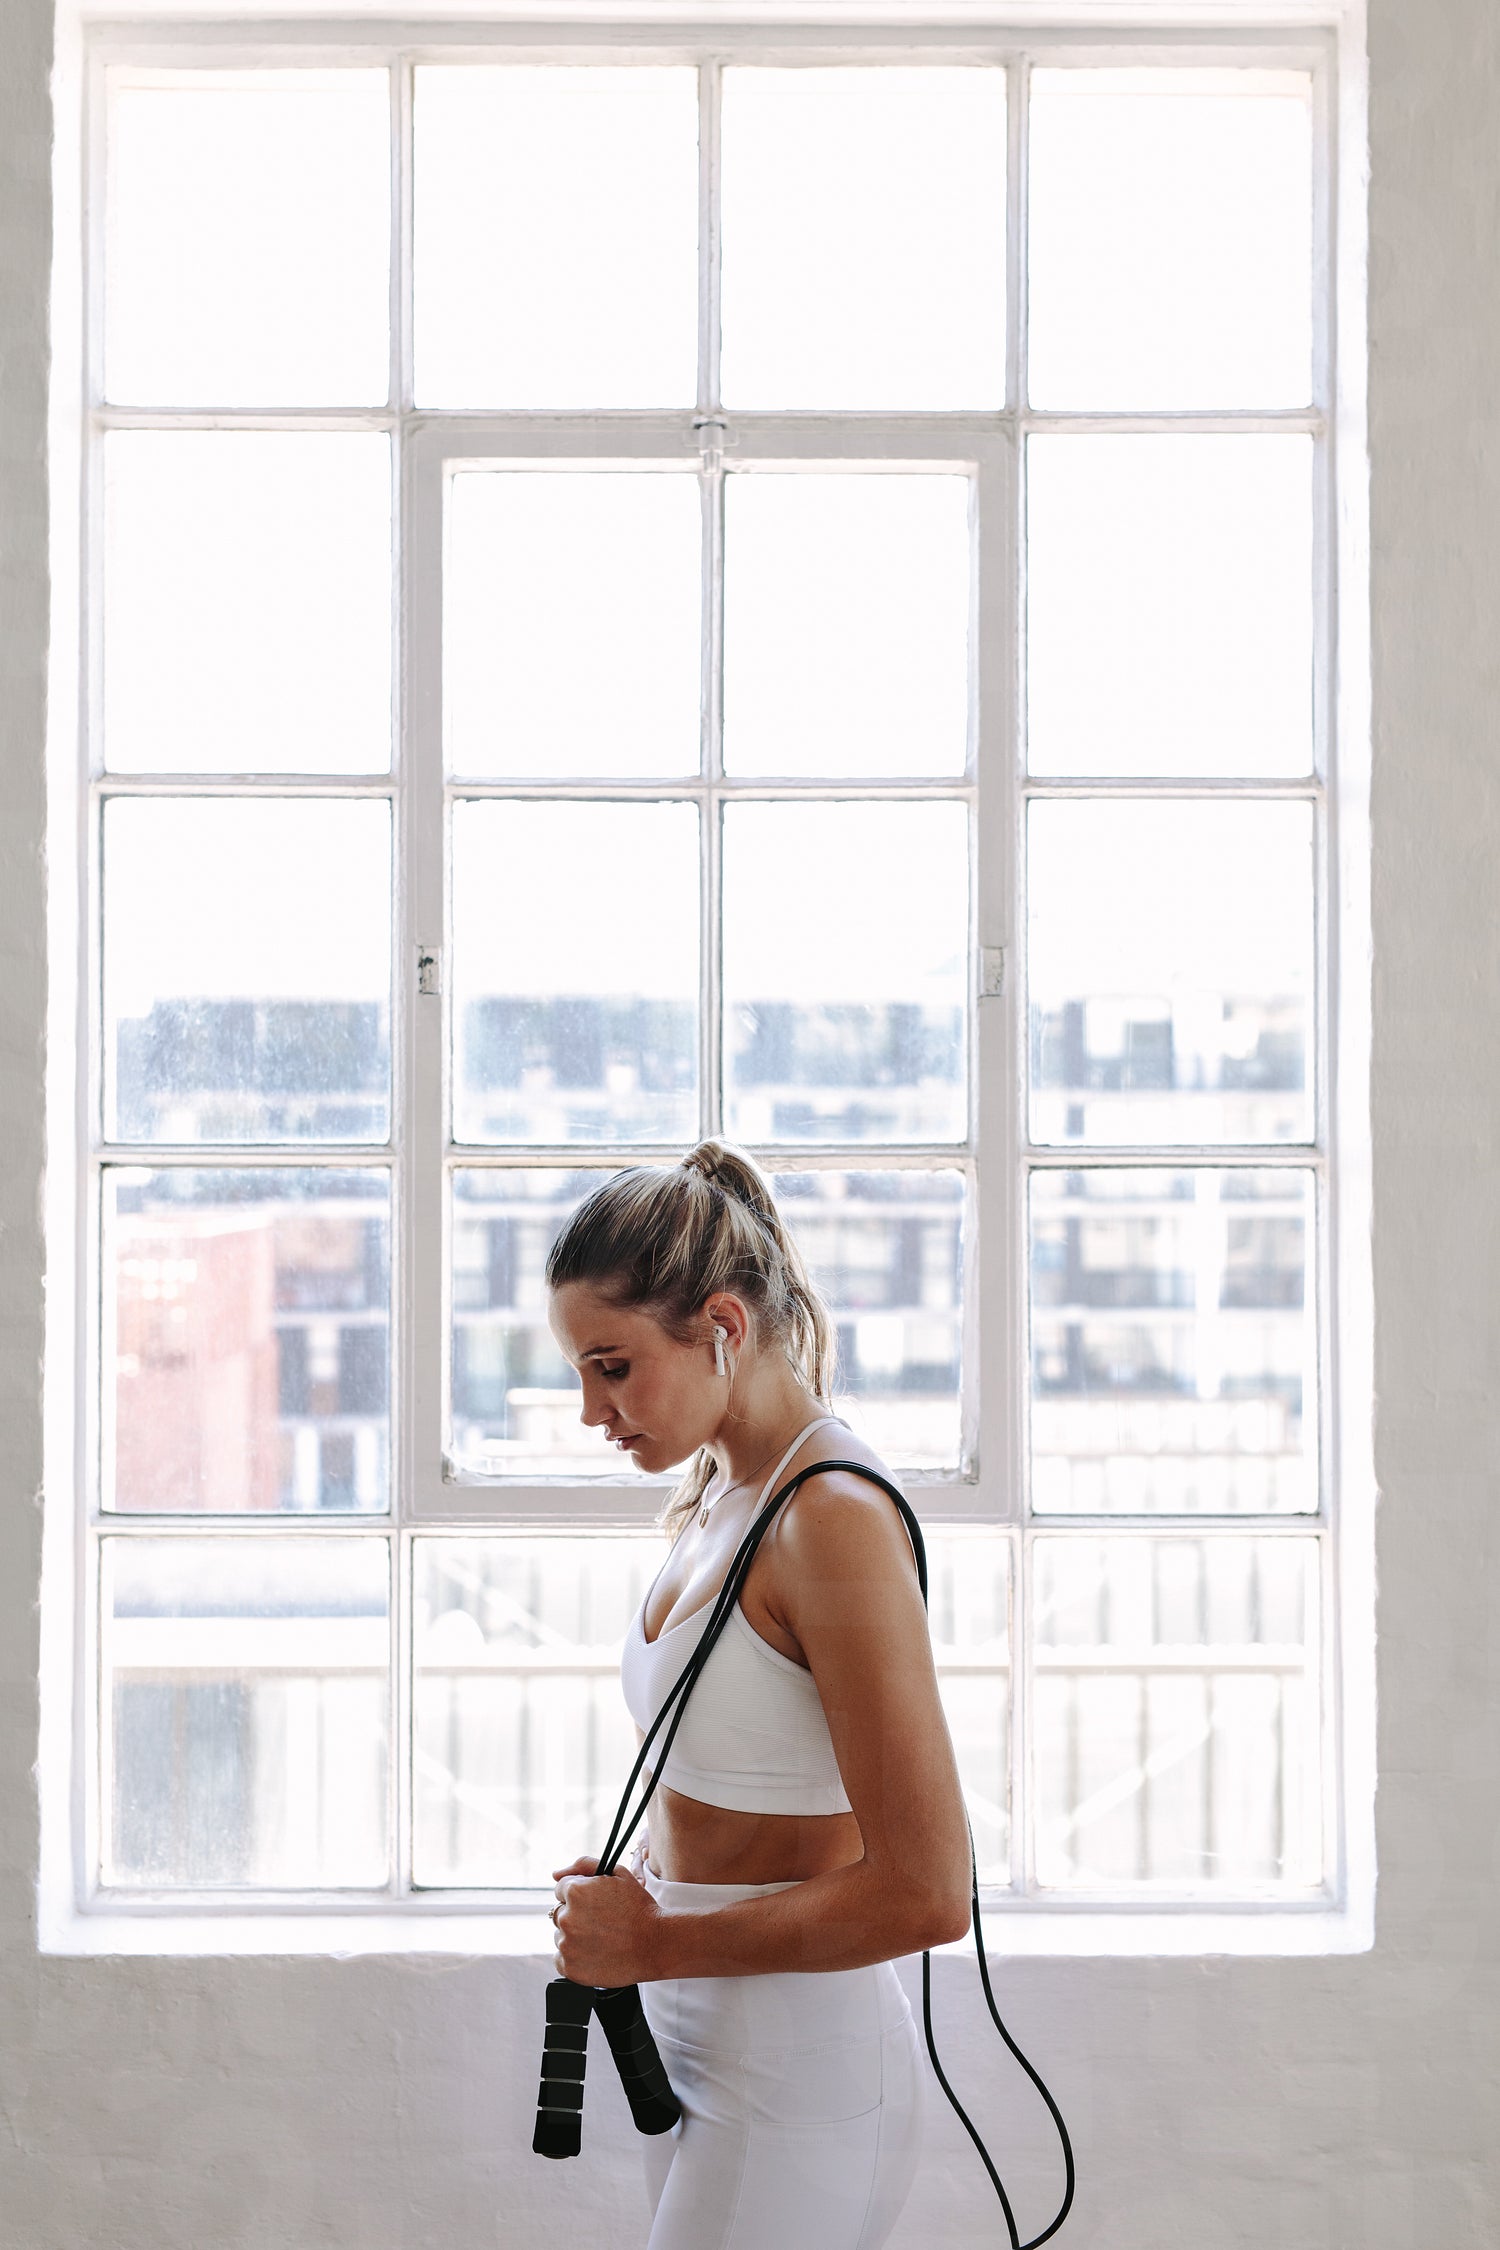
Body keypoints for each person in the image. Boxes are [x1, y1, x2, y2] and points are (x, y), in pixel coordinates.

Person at [544, 1139, 973, 2250]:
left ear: (723, 1327)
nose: (592, 1409)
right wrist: (646, 1886)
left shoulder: (829, 1517)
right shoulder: (725, 1493)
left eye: (612, 1366)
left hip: (798, 2070)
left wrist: (654, 1945)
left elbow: (930, 1893)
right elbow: (746, 1759)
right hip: (700, 2040)